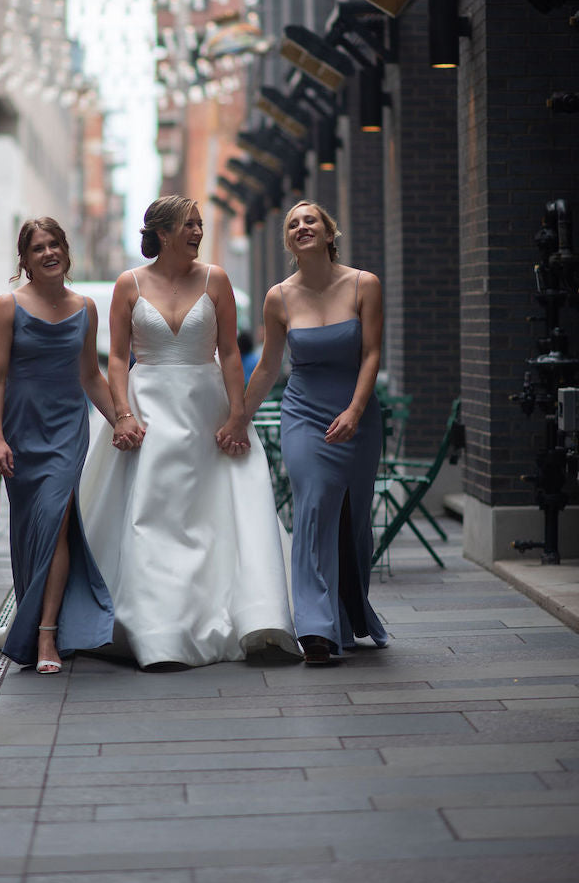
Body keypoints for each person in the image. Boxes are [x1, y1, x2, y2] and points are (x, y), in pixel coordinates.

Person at [79, 195, 298, 669]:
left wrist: (238, 415)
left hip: (206, 408)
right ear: (162, 233)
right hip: (147, 408)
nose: (198, 232)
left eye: (200, 224)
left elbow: (231, 353)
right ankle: (155, 628)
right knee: (150, 515)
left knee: (212, 515)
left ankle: (233, 613)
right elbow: (117, 358)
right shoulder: (128, 284)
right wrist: (122, 414)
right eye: (189, 225)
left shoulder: (216, 279)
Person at [244, 201, 388, 665]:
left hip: (358, 413)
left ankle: (347, 612)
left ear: (330, 234)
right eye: (292, 223)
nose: (301, 226)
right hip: (304, 414)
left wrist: (355, 410)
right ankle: (316, 628)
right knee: (313, 507)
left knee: (355, 521)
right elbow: (268, 367)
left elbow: (371, 354)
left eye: (310, 221)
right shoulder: (278, 298)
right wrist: (238, 417)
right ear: (289, 241)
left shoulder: (364, 284)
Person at [0, 217, 117, 674]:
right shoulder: (7, 307)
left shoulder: (85, 308)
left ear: (66, 250)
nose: (48, 253)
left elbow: (90, 376)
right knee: (30, 530)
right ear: (25, 260)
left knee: (56, 520)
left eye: (54, 243)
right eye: (37, 248)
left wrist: (121, 419)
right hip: (21, 432)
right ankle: (34, 618)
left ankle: (46, 636)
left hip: (66, 430)